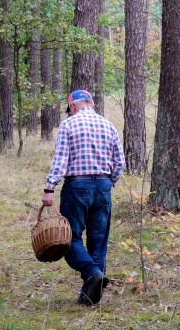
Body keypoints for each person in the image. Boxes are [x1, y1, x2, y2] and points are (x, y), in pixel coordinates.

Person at [42, 89, 125, 306]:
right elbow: (120, 163)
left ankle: (91, 272)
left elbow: (61, 159)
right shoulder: (108, 125)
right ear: (91, 104)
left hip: (77, 186)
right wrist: (109, 182)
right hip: (103, 187)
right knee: (98, 240)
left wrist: (50, 188)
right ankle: (90, 295)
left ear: (72, 106)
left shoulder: (68, 125)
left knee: (69, 238)